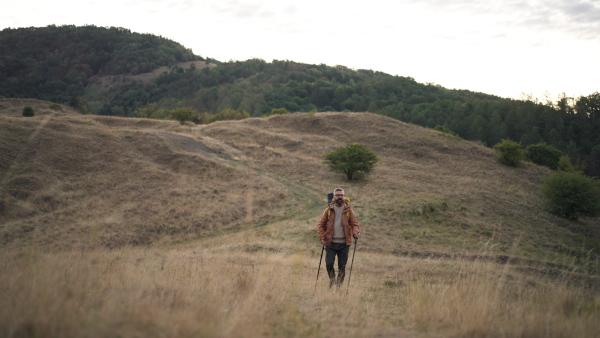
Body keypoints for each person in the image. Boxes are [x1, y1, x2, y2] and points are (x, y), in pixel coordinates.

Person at [317, 188, 360, 287]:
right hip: (330, 243)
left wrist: (356, 232)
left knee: (342, 267)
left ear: (344, 196)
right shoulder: (328, 209)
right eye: (338, 195)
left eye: (341, 195)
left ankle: (339, 287)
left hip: (344, 244)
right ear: (334, 197)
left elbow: (354, 224)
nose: (340, 197)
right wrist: (322, 237)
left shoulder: (348, 210)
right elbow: (320, 225)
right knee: (329, 264)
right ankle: (332, 280)